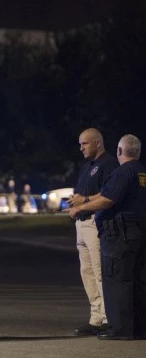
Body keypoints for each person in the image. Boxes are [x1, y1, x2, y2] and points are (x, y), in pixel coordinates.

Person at [67, 134, 146, 340]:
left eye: (84, 143)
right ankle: (130, 326)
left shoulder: (120, 170)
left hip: (120, 233)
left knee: (115, 278)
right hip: (134, 230)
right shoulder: (140, 171)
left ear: (120, 151)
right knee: (133, 280)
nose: (81, 148)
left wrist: (82, 205)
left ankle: (116, 326)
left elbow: (108, 198)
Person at [66, 128, 119, 336]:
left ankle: (107, 318)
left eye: (84, 143)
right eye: (80, 144)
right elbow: (83, 194)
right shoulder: (87, 166)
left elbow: (109, 194)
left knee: (99, 272)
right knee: (86, 272)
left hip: (95, 223)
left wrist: (85, 201)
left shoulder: (109, 164)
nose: (81, 148)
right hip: (81, 223)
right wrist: (75, 202)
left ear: (98, 143)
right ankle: (96, 317)